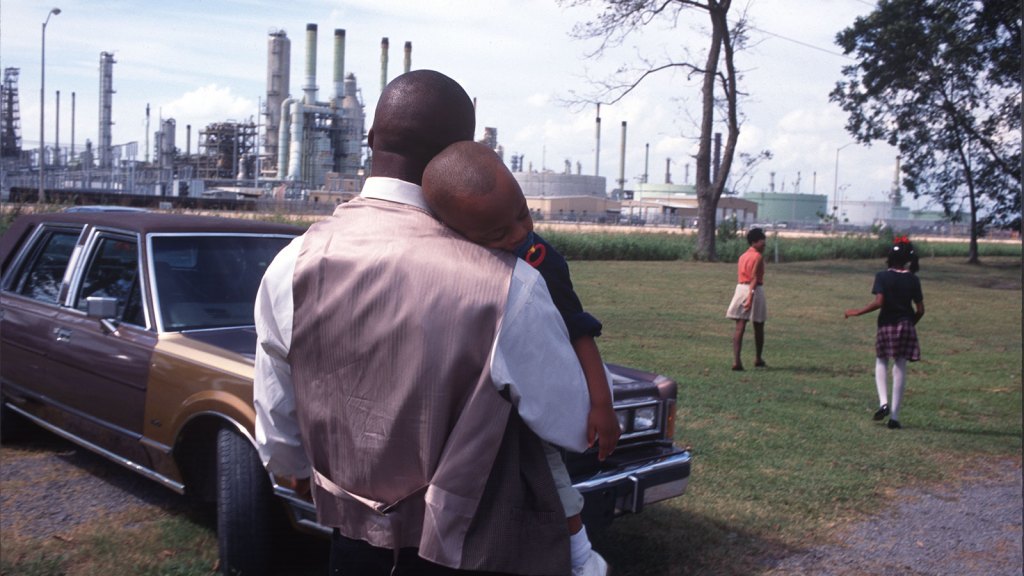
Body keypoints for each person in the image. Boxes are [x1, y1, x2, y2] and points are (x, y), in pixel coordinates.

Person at [254, 70, 596, 575]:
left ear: (370, 139)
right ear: (463, 151)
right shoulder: (509, 285)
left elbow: (278, 417)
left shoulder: (292, 264)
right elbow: (571, 423)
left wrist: (302, 472)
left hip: (352, 544)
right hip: (475, 547)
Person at [422, 140, 620, 576]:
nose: (517, 233)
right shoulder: (449, 264)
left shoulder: (541, 258)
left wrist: (602, 405)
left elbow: (579, 331)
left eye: (522, 214)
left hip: (532, 406)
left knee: (553, 482)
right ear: (453, 232)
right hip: (469, 414)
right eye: (497, 233)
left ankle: (582, 560)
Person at [844, 236, 925, 429]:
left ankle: (883, 403)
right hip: (906, 324)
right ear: (907, 259)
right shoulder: (913, 279)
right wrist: (909, 324)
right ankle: (895, 417)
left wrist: (857, 312)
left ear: (889, 257)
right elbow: (920, 310)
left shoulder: (882, 277)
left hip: (886, 324)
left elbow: (879, 302)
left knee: (881, 360)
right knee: (900, 366)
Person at [726, 227, 768, 371]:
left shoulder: (742, 256)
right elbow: (754, 279)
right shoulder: (757, 257)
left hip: (740, 289)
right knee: (758, 326)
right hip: (754, 289)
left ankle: (736, 360)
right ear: (755, 242)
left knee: (740, 326)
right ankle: (758, 358)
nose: (764, 245)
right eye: (763, 242)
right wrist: (750, 297)